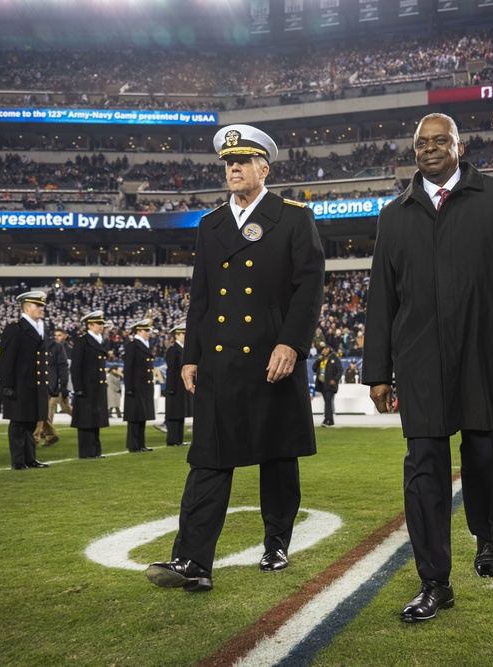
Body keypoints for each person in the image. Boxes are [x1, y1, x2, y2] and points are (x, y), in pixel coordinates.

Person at [362, 113, 493, 623]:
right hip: (421, 360)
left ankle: (485, 530)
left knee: (486, 456)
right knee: (423, 469)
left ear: (458, 145)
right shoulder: (394, 214)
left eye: (439, 140)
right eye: (421, 143)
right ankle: (434, 583)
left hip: (487, 352)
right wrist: (378, 370)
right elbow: (381, 297)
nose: (429, 149)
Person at [146, 124, 324, 592]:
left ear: (264, 168)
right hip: (221, 363)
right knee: (207, 459)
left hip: (273, 359)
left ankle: (277, 542)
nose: (234, 168)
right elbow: (201, 296)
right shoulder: (210, 225)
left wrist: (291, 343)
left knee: (278, 456)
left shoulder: (292, 217)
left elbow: (309, 290)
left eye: (243, 162)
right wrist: (190, 354)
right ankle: (191, 562)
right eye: (229, 163)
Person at [0, 291, 51, 470]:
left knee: (31, 422)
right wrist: (8, 385)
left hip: (35, 385)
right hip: (21, 383)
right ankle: (18, 460)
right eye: (38, 306)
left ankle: (30, 458)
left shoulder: (42, 327)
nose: (42, 309)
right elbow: (6, 359)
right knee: (18, 423)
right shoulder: (15, 328)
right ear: (27, 308)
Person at [71, 310, 110, 459]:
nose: (102, 326)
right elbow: (76, 366)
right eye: (99, 324)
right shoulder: (83, 341)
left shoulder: (98, 340)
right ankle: (87, 451)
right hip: (87, 387)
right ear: (90, 325)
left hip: (96, 388)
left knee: (95, 419)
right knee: (86, 420)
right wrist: (78, 387)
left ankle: (95, 450)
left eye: (101, 323)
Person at [33, 328, 71, 447]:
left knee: (39, 409)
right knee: (40, 410)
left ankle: (34, 439)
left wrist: (63, 386)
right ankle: (51, 434)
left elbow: (63, 367)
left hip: (48, 384)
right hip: (33, 383)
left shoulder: (56, 347)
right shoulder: (32, 346)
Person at [123, 318, 155, 453]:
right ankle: (133, 444)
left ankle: (140, 444)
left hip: (144, 387)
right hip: (136, 387)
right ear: (139, 331)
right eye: (146, 330)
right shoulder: (133, 345)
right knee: (135, 417)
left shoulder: (143, 345)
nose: (149, 333)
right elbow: (128, 368)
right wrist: (129, 388)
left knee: (142, 416)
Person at [164, 321, 193, 447]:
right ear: (176, 335)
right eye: (182, 334)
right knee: (174, 414)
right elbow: (171, 370)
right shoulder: (173, 350)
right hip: (174, 387)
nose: (184, 336)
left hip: (180, 388)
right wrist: (170, 388)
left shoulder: (182, 349)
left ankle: (179, 439)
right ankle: (172, 439)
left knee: (180, 413)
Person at [312, 344, 342, 427]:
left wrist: (335, 380)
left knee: (328, 401)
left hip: (330, 384)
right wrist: (318, 360)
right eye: (322, 349)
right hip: (322, 384)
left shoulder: (335, 358)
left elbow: (340, 370)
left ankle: (326, 420)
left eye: (325, 349)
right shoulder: (321, 358)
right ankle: (331, 421)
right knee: (327, 401)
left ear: (329, 349)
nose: (323, 351)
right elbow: (314, 368)